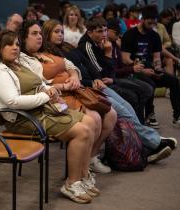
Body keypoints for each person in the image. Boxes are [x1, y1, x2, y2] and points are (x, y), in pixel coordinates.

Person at [43, 19, 176, 164]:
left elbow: (87, 65)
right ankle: (154, 143)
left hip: (96, 84)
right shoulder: (51, 55)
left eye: (62, 31)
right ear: (47, 33)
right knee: (121, 109)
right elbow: (69, 77)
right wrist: (93, 80)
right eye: (56, 32)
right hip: (83, 89)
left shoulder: (67, 47)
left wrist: (97, 78)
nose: (60, 35)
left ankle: (148, 141)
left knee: (127, 105)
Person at [0, 30, 97, 204]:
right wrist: (46, 96)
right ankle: (71, 183)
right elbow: (13, 102)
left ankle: (82, 176)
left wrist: (49, 90)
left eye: (17, 43)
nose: (15, 47)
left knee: (91, 122)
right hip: (22, 118)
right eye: (9, 44)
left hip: (40, 109)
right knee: (82, 132)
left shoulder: (18, 64)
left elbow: (38, 83)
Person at [19, 20, 117, 174]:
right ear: (24, 38)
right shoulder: (25, 59)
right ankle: (81, 170)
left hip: (75, 89)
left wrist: (74, 75)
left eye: (39, 33)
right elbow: (40, 85)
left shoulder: (47, 50)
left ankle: (90, 157)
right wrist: (64, 85)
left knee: (111, 114)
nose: (39, 37)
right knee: (95, 118)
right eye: (34, 34)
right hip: (57, 97)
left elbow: (70, 64)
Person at [121, 5, 180, 130]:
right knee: (149, 83)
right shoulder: (130, 34)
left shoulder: (154, 36)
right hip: (134, 70)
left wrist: (158, 67)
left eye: (154, 23)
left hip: (150, 68)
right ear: (143, 19)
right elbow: (125, 59)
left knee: (174, 81)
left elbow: (156, 58)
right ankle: (149, 114)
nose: (151, 26)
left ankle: (178, 116)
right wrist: (140, 68)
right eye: (149, 23)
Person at [78, 17, 152, 124]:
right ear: (90, 32)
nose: (104, 34)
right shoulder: (88, 46)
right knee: (133, 96)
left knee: (147, 88)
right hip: (97, 84)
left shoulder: (106, 42)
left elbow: (114, 67)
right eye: (100, 31)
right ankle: (135, 128)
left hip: (111, 78)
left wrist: (117, 74)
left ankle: (139, 125)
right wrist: (108, 54)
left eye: (105, 30)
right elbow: (100, 73)